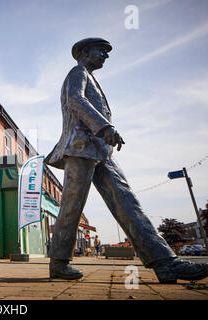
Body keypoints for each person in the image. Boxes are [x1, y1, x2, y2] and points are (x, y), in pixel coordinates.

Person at [45, 37, 208, 283]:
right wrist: (104, 127)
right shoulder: (77, 72)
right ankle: (58, 264)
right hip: (81, 147)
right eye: (101, 51)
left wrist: (103, 133)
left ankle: (165, 264)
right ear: (84, 52)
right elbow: (75, 101)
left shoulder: (90, 77)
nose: (106, 56)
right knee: (72, 207)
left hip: (99, 150)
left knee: (127, 203)